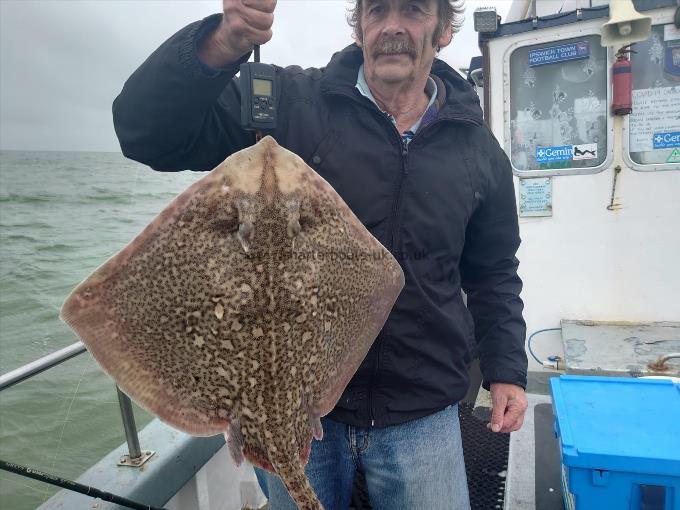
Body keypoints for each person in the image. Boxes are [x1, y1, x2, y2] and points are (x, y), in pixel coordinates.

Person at [113, 0, 529, 508]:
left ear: (443, 30)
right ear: (359, 27)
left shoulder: (479, 151)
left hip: (423, 407)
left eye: (414, 11)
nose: (392, 27)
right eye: (377, 10)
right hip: (292, 406)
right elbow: (147, 134)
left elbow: (493, 272)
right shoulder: (288, 103)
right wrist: (221, 43)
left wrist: (505, 368)